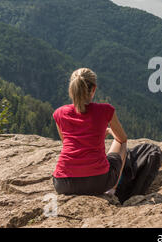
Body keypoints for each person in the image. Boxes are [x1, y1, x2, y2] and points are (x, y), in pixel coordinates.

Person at [52, 68, 127, 196]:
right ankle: (112, 190)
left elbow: (67, 142)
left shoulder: (59, 113)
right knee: (122, 144)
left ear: (72, 89)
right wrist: (108, 131)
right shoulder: (105, 110)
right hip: (98, 182)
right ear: (94, 89)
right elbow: (122, 138)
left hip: (63, 183)